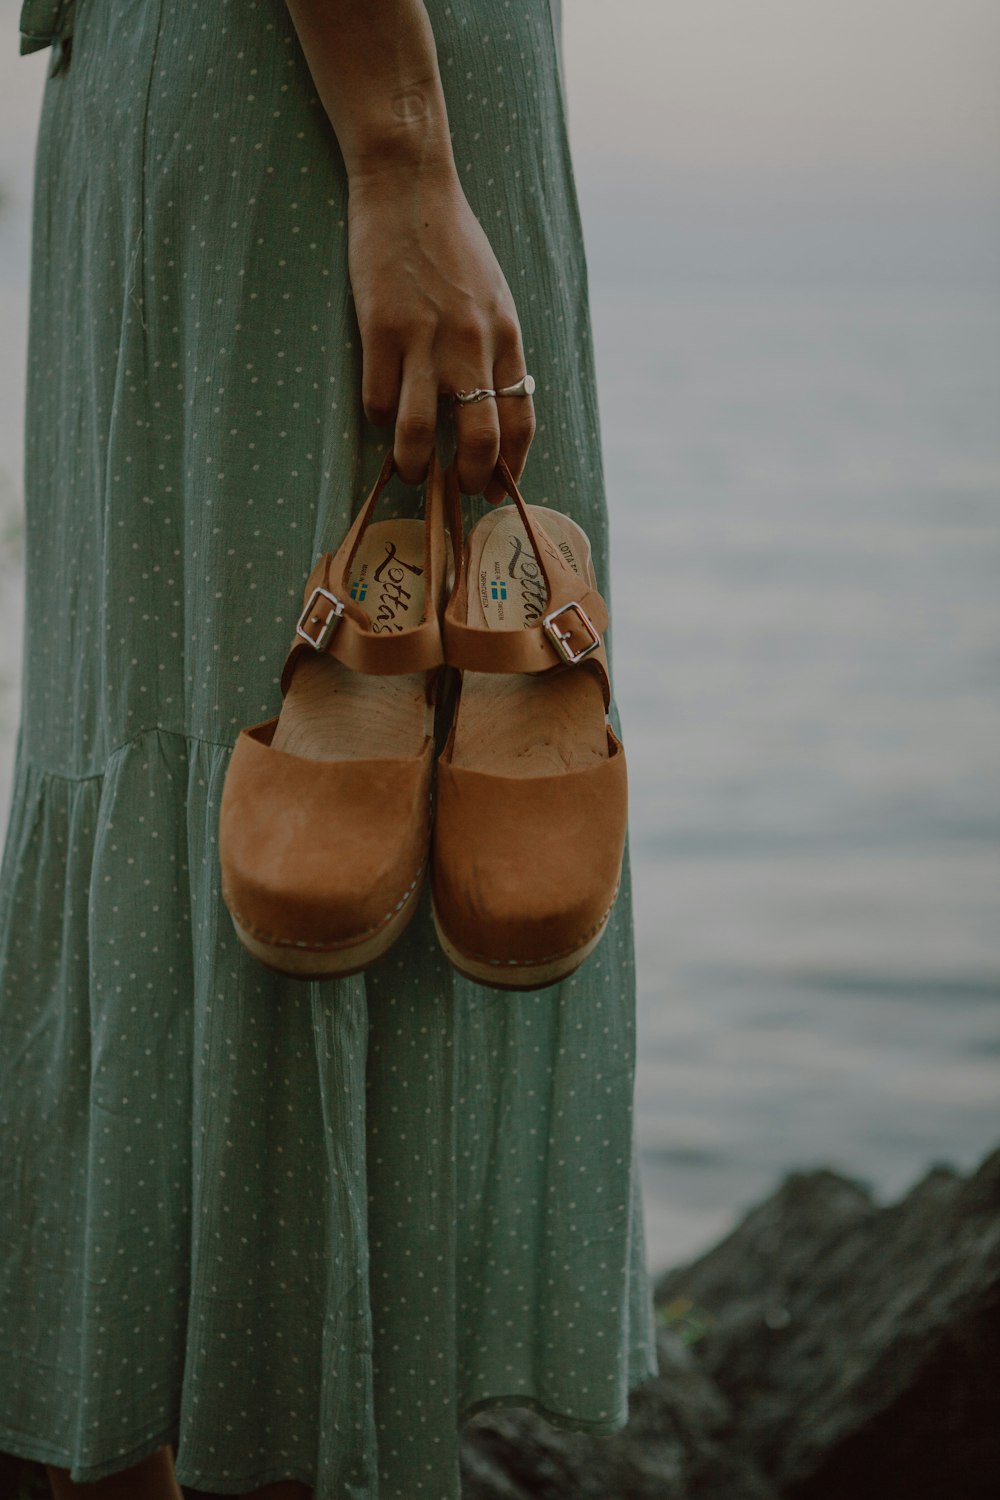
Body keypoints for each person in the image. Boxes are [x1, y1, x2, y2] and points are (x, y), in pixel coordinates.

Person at [1, 2, 659, 1497]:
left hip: (298, 93)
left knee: (316, 786)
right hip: (325, 99)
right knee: (324, 794)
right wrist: (401, 156)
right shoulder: (384, 147)